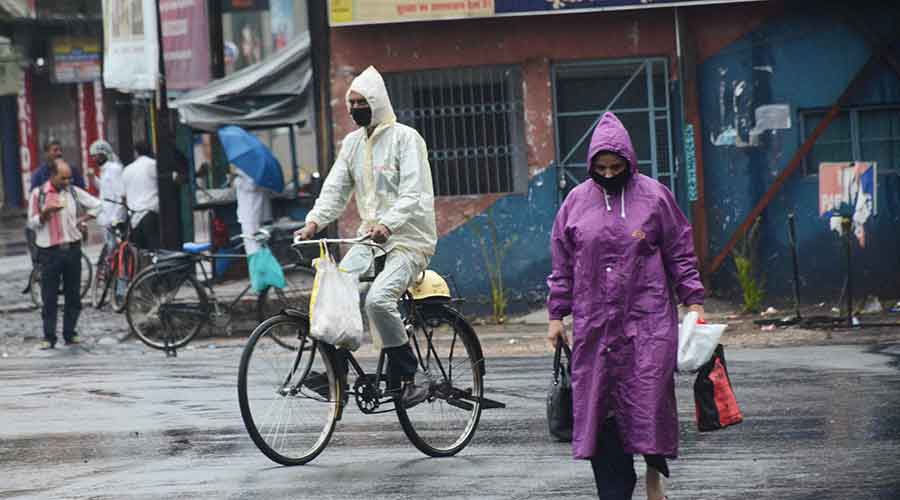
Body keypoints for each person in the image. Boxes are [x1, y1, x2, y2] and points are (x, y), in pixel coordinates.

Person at [546, 112, 705, 500]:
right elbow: (562, 264)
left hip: (647, 320)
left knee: (648, 399)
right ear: (591, 166)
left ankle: (654, 472)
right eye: (601, 167)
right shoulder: (576, 203)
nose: (609, 172)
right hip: (595, 323)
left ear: (630, 163)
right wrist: (556, 315)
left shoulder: (654, 196)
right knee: (601, 409)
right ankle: (614, 491)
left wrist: (693, 301)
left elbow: (680, 252)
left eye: (616, 166)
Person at [294, 66, 437, 408]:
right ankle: (337, 377)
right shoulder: (353, 144)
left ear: (377, 102)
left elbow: (414, 193)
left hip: (408, 240)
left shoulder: (406, 138)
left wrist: (388, 223)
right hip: (368, 240)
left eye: (362, 102)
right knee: (336, 292)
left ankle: (411, 375)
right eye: (351, 102)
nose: (355, 108)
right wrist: (314, 222)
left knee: (377, 300)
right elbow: (335, 189)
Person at [27, 159, 101, 349]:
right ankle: (49, 336)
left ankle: (70, 333)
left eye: (69, 178)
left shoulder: (74, 192)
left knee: (73, 295)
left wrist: (84, 218)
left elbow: (98, 205)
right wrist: (46, 213)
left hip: (72, 249)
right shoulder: (39, 194)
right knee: (49, 297)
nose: (67, 181)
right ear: (52, 176)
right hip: (49, 252)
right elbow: (32, 222)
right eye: (63, 178)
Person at [121, 141, 160, 250]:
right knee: (155, 250)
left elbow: (123, 196)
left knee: (139, 252)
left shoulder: (127, 169)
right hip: (150, 213)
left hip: (134, 218)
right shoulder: (153, 165)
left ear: (136, 153)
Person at [89, 140, 126, 251]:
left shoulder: (114, 169)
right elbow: (105, 189)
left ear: (102, 154)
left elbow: (121, 194)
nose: (93, 159)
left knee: (114, 249)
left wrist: (116, 218)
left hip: (113, 218)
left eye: (94, 156)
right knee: (111, 250)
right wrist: (93, 179)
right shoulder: (105, 170)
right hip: (107, 218)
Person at [231, 166, 272, 255]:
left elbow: (251, 185)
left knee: (252, 244)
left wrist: (236, 179)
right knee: (257, 242)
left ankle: (256, 266)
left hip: (250, 213)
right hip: (253, 212)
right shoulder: (259, 169)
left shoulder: (248, 170)